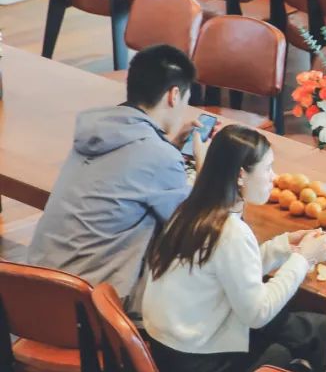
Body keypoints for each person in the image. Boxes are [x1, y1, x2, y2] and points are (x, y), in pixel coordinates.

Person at [141, 126, 326, 372]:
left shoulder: (193, 209)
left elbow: (231, 270)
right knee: (293, 343)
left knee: (297, 328)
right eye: (268, 168)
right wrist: (304, 259)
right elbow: (258, 313)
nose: (274, 177)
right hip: (197, 368)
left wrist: (283, 246)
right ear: (241, 174)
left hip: (169, 351)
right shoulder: (230, 231)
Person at [26, 43, 201, 311]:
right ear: (174, 95)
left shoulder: (98, 132)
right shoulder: (158, 156)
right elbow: (196, 230)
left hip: (32, 293)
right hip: (90, 309)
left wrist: (167, 147)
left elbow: (132, 171)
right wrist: (208, 168)